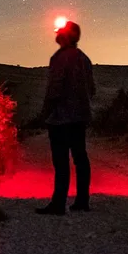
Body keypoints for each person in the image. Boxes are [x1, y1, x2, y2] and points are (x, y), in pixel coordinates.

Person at [35, 19, 95, 215]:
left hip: (61, 118)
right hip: (80, 117)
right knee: (80, 157)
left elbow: (55, 89)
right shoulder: (84, 59)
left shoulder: (60, 58)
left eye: (60, 31)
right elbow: (91, 89)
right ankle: (82, 201)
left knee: (61, 161)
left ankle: (58, 203)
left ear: (65, 36)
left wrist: (45, 113)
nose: (57, 34)